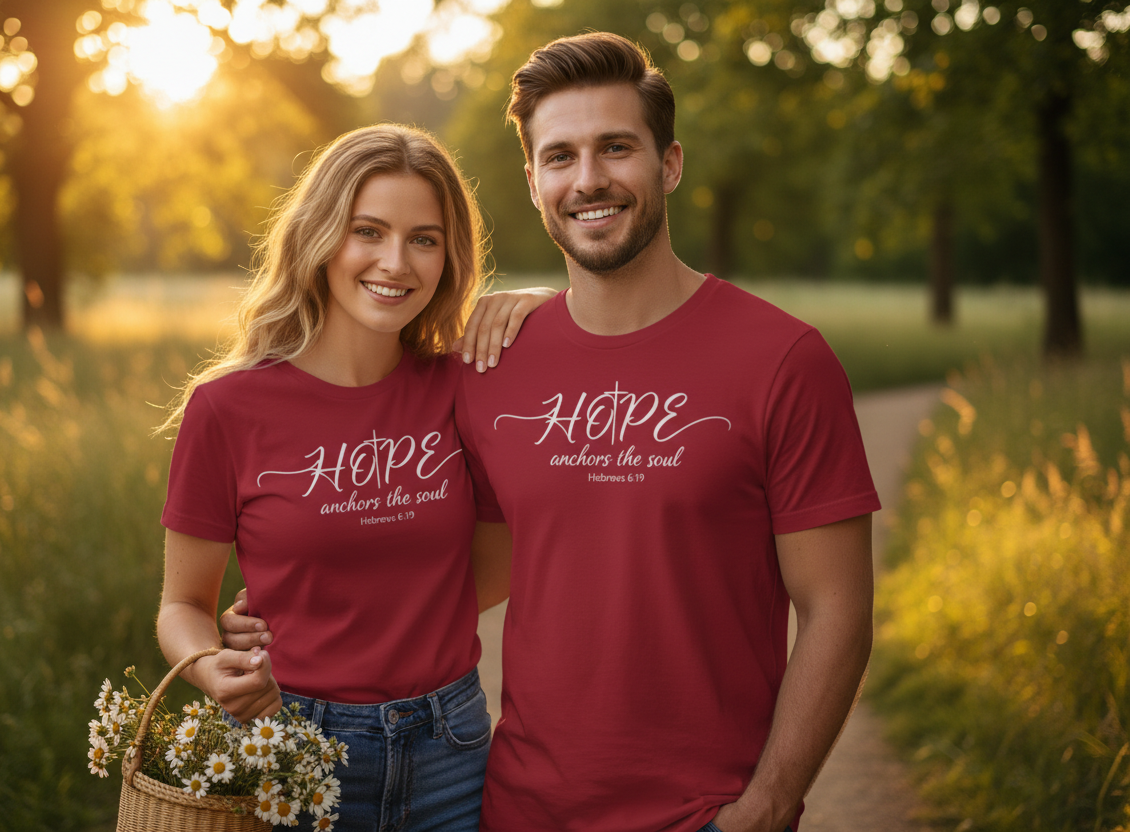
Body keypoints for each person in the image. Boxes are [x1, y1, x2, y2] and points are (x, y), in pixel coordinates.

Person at [225, 33, 880, 832]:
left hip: (708, 814)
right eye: (561, 156)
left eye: (616, 148)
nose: (589, 179)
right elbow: (454, 564)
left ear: (669, 164)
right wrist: (292, 615)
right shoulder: (489, 362)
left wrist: (771, 805)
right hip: (515, 807)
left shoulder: (784, 361)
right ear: (534, 180)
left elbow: (838, 610)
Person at [155, 123, 554, 831]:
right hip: (291, 742)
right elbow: (181, 605)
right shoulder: (227, 408)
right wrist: (210, 664)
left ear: (448, 256)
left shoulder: (466, 389)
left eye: (424, 239)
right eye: (368, 230)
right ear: (320, 236)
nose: (395, 262)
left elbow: (495, 570)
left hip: (448, 746)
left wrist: (544, 306)